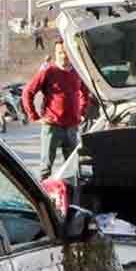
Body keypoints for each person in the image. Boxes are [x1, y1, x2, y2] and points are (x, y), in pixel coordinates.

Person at [22, 39, 92, 179]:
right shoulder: (48, 71)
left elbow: (86, 93)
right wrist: (34, 116)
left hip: (72, 126)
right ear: (55, 53)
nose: (63, 56)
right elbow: (27, 92)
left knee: (72, 169)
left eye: (66, 52)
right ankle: (42, 197)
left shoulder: (77, 72)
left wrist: (82, 113)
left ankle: (70, 197)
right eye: (60, 52)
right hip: (52, 126)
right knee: (45, 168)